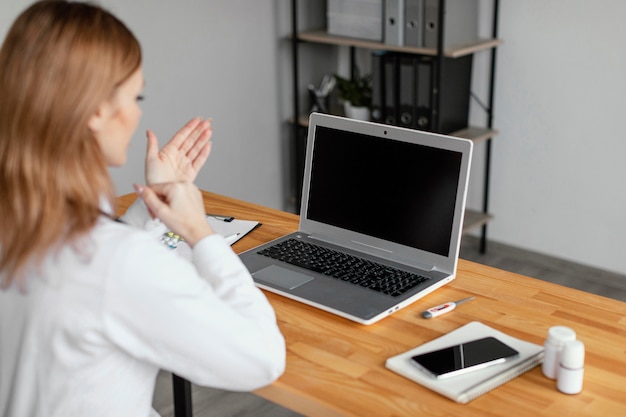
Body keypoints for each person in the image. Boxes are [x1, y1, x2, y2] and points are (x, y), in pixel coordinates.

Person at [0, 1, 285, 416]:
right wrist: (199, 233)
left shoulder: (23, 222)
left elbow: (99, 271)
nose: (137, 112)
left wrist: (152, 205)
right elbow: (262, 359)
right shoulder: (113, 264)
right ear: (98, 111)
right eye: (137, 95)